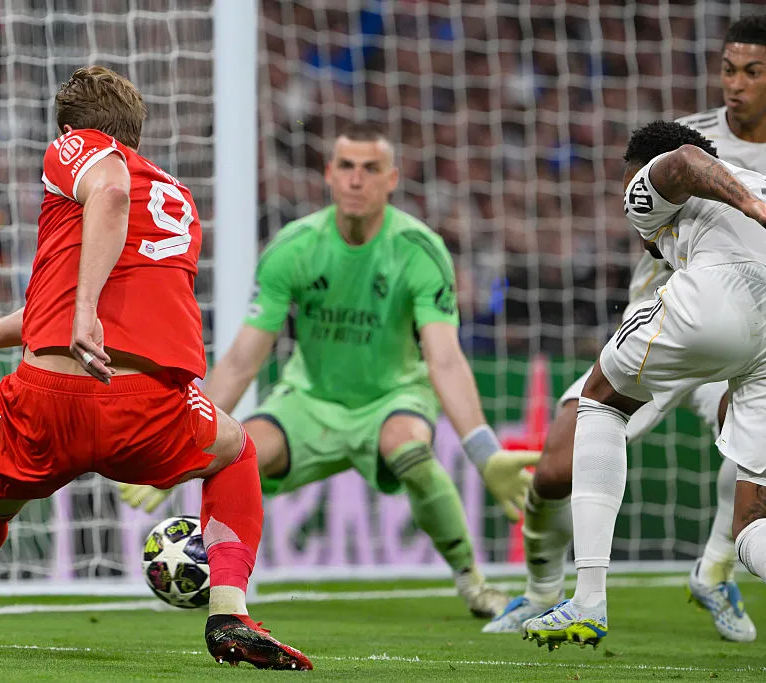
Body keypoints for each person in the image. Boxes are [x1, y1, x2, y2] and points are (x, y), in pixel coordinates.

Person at [0, 65, 312, 671]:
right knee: (235, 449)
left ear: (72, 129)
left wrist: (86, 310)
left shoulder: (83, 153)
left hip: (51, 398)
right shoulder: (175, 198)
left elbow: (111, 193)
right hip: (146, 407)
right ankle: (228, 611)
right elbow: (62, 299)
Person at [119, 121, 539, 618]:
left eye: (370, 169)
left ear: (392, 179)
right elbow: (242, 359)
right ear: (328, 175)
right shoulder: (294, 248)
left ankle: (473, 583)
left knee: (408, 446)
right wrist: (180, 443)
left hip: (393, 396)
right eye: (346, 167)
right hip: (309, 401)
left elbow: (444, 358)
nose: (356, 179)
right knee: (235, 451)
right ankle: (227, 590)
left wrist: (485, 452)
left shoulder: (421, 250)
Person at [485, 16, 766, 642]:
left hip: (696, 313)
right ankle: (546, 591)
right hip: (752, 328)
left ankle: (594, 596)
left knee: (599, 402)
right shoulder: (717, 145)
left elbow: (684, 162)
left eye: (752, 71)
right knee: (754, 512)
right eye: (729, 69)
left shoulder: (659, 174)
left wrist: (751, 207)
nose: (736, 84)